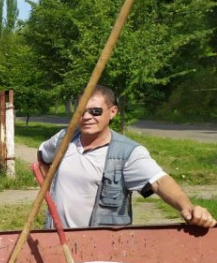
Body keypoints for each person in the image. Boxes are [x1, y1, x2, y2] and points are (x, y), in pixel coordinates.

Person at [37, 85, 216, 229]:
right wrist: (49, 189)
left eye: (95, 111)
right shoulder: (64, 139)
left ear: (112, 112)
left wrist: (188, 207)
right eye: (81, 112)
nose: (86, 117)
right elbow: (43, 156)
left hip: (100, 250)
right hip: (57, 240)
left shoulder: (127, 153)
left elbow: (159, 182)